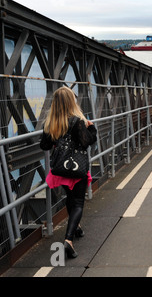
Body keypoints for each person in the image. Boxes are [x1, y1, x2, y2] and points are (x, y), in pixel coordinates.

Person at [40, 86, 97, 258]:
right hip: (76, 167)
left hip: (60, 169)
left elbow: (45, 146)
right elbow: (87, 141)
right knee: (78, 202)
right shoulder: (77, 121)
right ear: (71, 102)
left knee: (70, 199)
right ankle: (68, 240)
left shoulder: (50, 123)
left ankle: (76, 227)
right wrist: (92, 128)